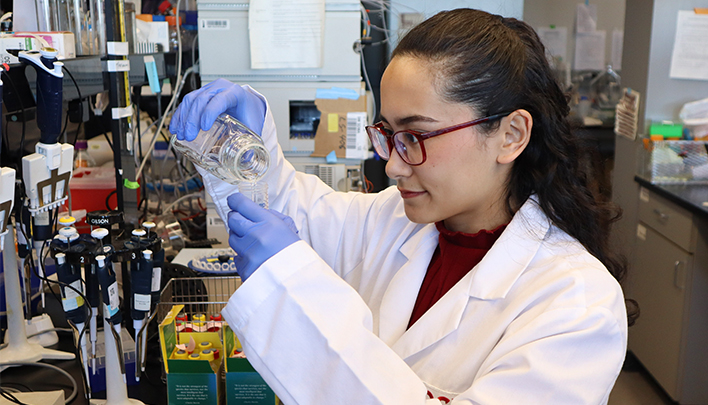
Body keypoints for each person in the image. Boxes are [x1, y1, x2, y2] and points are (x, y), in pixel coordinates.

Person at [169, 8, 631, 404]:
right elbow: (289, 213)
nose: (392, 166)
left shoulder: (576, 306)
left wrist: (293, 292)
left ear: (510, 135)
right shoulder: (398, 219)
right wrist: (248, 141)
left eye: (416, 136)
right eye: (388, 134)